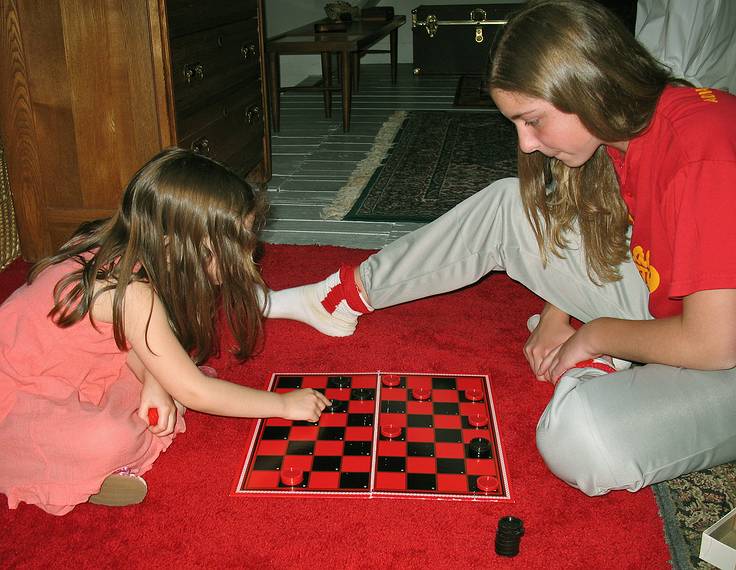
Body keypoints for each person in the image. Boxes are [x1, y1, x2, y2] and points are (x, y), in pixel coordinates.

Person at [266, 0, 736, 496]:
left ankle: (602, 366)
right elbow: (612, 233)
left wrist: (594, 335)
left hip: (721, 348)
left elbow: (716, 342)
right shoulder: (635, 124)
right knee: (506, 203)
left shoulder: (700, 155)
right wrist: (558, 315)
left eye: (532, 120)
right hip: (684, 310)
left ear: (587, 86)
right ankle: (338, 299)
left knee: (583, 440)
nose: (527, 144)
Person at [0, 148, 330, 515]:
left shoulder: (140, 253)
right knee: (112, 437)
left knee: (163, 387)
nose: (252, 252)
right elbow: (195, 389)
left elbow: (128, 340)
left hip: (85, 370)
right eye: (239, 245)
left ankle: (93, 449)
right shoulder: (132, 292)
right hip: (18, 392)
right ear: (181, 246)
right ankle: (55, 469)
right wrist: (282, 405)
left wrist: (155, 381)